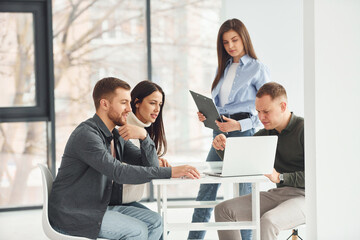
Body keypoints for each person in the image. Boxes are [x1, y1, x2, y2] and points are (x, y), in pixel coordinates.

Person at [48, 77, 200, 240]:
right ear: (104, 104)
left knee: (157, 223)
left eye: (129, 102)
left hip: (100, 205)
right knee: (137, 231)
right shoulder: (87, 135)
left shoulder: (115, 135)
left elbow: (148, 165)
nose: (129, 109)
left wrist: (144, 137)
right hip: (75, 213)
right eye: (123, 103)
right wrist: (170, 172)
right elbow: (118, 172)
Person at [189, 18, 270, 240]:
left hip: (244, 135)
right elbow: (222, 105)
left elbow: (265, 112)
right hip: (220, 134)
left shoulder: (257, 68)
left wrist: (239, 125)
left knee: (244, 198)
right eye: (225, 42)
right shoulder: (222, 68)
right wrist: (207, 114)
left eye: (234, 40)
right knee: (206, 190)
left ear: (244, 38)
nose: (231, 46)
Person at [214, 82, 305, 240]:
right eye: (258, 111)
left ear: (283, 106)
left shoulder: (305, 129)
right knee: (223, 210)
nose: (261, 117)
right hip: (279, 194)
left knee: (268, 221)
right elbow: (240, 162)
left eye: (266, 111)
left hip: (306, 197)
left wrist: (281, 177)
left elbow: (318, 177)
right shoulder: (266, 134)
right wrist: (221, 148)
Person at [122, 80, 170, 206]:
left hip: (131, 201)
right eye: (152, 103)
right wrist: (149, 161)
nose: (157, 109)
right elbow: (122, 169)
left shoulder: (144, 131)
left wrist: (152, 158)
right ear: (137, 102)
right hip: (118, 201)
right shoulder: (123, 129)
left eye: (160, 104)